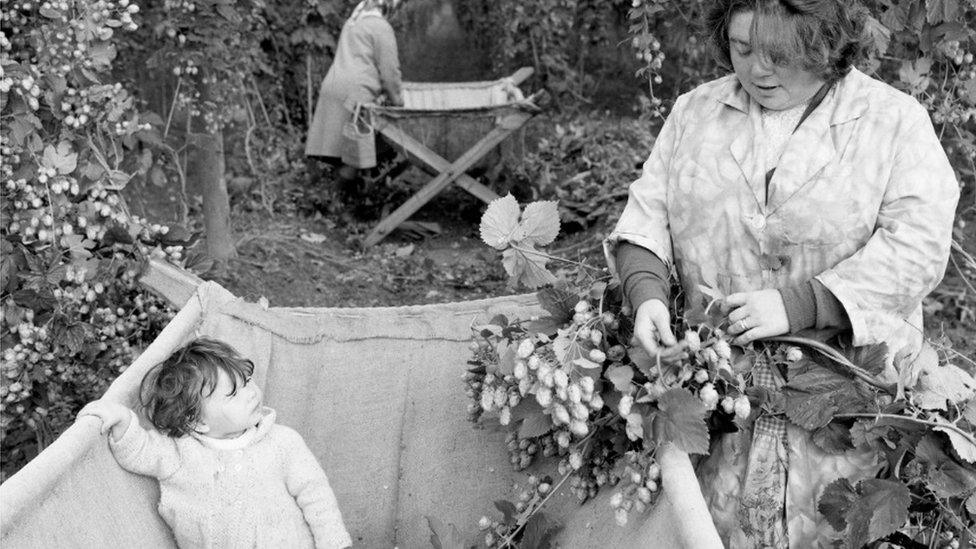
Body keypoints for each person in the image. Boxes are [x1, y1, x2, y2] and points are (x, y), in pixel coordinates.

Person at [607, 0, 959, 547]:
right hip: (718, 404)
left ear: (826, 47)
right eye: (742, 49)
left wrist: (800, 304)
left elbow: (919, 245)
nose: (756, 70)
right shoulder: (694, 113)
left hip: (846, 415)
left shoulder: (892, 122)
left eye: (779, 54)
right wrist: (646, 294)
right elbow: (645, 220)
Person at [79, 338, 352, 549]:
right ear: (197, 423)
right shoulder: (179, 454)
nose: (251, 393)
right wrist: (121, 419)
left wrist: (334, 543)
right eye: (234, 393)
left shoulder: (283, 443)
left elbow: (317, 497)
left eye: (246, 381)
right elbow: (139, 450)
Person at [305, 0, 404, 204]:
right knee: (357, 151)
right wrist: (398, 101)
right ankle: (339, 204)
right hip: (356, 93)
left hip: (334, 86)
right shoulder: (381, 27)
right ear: (389, 6)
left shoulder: (353, 22)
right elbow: (389, 72)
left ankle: (335, 199)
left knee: (340, 151)